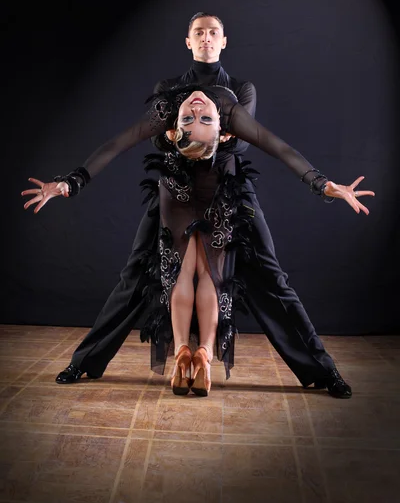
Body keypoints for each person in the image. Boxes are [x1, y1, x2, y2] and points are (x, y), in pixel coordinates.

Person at [22, 81, 375, 398]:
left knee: (265, 278)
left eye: (202, 119)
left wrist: (323, 185)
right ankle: (91, 360)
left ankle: (321, 370)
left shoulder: (230, 103)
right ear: (174, 132)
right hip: (175, 188)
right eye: (190, 119)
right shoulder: (175, 105)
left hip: (223, 189)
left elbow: (278, 148)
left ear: (224, 134)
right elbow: (119, 143)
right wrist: (73, 181)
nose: (194, 109)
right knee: (137, 278)